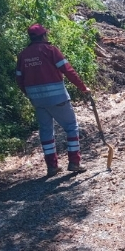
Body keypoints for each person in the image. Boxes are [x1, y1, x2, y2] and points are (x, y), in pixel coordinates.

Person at [15, 23, 92, 177]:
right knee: (71, 127)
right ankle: (74, 163)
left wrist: (30, 95)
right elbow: (68, 70)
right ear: (43, 36)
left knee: (46, 132)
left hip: (38, 101)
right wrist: (83, 88)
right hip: (57, 98)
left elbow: (19, 79)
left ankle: (52, 167)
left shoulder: (23, 55)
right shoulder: (50, 50)